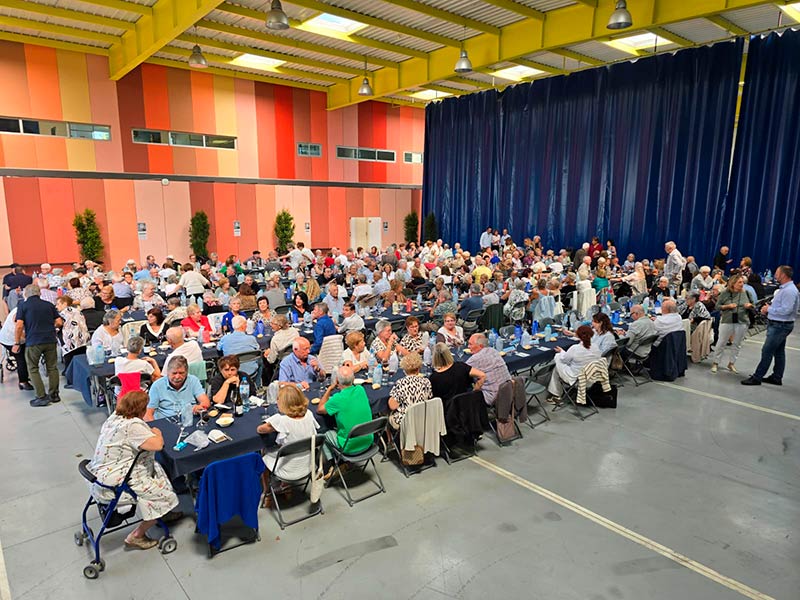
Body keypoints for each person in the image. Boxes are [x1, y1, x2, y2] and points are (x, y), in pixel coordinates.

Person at [87, 390, 179, 550]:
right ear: (141, 410)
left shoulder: (114, 418)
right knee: (166, 495)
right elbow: (157, 445)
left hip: (100, 474)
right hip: (116, 482)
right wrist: (158, 433)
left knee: (157, 470)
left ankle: (163, 513)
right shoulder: (133, 426)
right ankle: (137, 535)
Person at [256, 385, 319, 507]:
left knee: (263, 452)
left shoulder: (282, 420)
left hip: (287, 468)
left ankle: (267, 493)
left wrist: (272, 421)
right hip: (308, 465)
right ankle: (286, 487)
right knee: (291, 448)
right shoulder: (310, 414)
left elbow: (260, 429)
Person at [742, 265, 799, 386]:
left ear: (783, 275)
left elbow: (786, 310)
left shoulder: (789, 291)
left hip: (780, 325)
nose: (775, 275)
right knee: (779, 352)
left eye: (777, 273)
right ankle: (777, 377)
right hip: (780, 324)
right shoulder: (785, 289)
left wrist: (769, 309)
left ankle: (757, 377)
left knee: (767, 351)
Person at [318, 365, 373, 466]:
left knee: (324, 433)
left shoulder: (337, 399)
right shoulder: (360, 390)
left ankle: (333, 464)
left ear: (337, 381)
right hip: (368, 441)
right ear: (353, 379)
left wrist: (330, 389)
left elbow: (320, 409)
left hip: (349, 447)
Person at [145, 355, 210, 421]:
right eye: (174, 373)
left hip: (189, 419)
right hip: (166, 421)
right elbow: (148, 412)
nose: (177, 377)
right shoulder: (157, 385)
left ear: (187, 372)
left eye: (181, 373)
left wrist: (200, 407)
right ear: (167, 372)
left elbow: (205, 402)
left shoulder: (193, 380)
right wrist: (153, 428)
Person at [709, 275, 751, 374]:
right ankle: (716, 362)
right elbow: (717, 306)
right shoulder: (725, 293)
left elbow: (753, 304)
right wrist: (727, 306)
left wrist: (749, 306)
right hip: (727, 320)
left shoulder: (746, 293)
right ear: (733, 284)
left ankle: (731, 363)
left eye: (742, 282)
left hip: (742, 321)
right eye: (739, 282)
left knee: (737, 343)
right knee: (721, 342)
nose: (742, 284)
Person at [547, 325, 600, 401]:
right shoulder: (595, 347)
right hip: (590, 378)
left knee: (558, 358)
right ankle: (555, 394)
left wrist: (561, 351)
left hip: (576, 379)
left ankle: (556, 395)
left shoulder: (575, 348)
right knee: (558, 368)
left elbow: (564, 359)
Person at [387, 352, 432, 430]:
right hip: (423, 418)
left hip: (405, 420)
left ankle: (390, 440)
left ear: (404, 369)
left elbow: (392, 406)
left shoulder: (401, 383)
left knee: (386, 414)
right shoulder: (426, 382)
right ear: (419, 368)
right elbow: (430, 398)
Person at [465, 333, 511, 406]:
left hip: (492, 396)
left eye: (471, 344)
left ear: (480, 346)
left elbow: (462, 371)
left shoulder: (476, 358)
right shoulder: (494, 351)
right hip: (508, 390)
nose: (468, 346)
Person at [0, 308, 31, 390]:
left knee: (23, 357)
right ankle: (23, 382)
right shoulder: (19, 312)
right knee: (21, 359)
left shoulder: (21, 308)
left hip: (12, 337)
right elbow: (18, 329)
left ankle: (25, 377)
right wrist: (17, 343)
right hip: (10, 339)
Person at [56, 295, 90, 362]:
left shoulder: (62, 314)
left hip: (70, 343)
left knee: (70, 366)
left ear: (65, 303)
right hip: (83, 341)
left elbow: (58, 325)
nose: (56, 306)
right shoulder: (79, 311)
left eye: (58, 304)